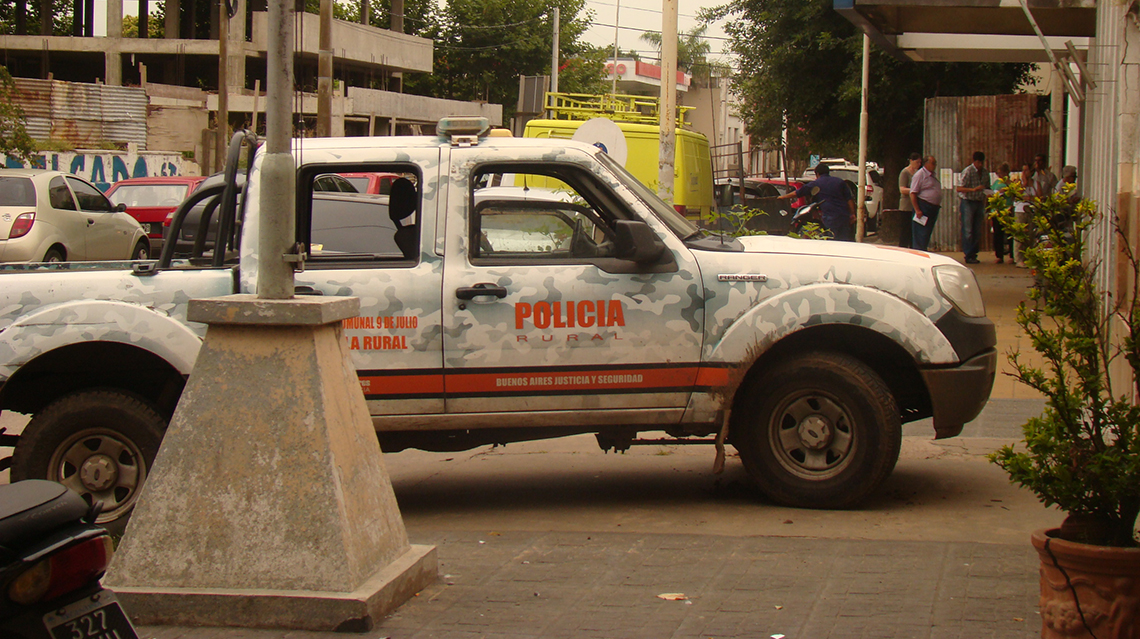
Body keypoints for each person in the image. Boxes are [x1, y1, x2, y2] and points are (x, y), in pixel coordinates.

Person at [778, 163, 856, 241]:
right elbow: (849, 200)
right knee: (844, 240)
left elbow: (797, 193)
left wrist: (783, 197)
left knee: (832, 240)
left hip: (830, 217)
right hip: (843, 216)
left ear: (817, 174)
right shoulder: (840, 182)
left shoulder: (816, 184)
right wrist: (852, 214)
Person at [955, 151, 989, 264]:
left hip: (979, 201)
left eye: (982, 162)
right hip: (968, 201)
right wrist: (973, 189)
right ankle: (968, 254)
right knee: (968, 229)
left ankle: (974, 253)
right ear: (975, 162)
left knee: (977, 230)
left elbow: (987, 187)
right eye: (979, 162)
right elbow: (959, 188)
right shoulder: (968, 171)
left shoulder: (985, 173)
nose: (980, 164)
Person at [909, 155, 941, 251]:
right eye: (933, 163)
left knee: (927, 233)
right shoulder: (920, 175)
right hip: (923, 206)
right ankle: (919, 252)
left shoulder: (932, 175)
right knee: (921, 233)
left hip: (932, 208)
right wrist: (917, 210)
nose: (935, 165)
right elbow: (913, 193)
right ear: (926, 164)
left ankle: (923, 250)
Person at [990, 163, 1014, 263]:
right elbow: (991, 192)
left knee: (1009, 233)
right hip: (996, 210)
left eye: (1000, 172)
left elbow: (1014, 194)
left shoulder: (1009, 183)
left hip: (1007, 209)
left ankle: (1011, 255)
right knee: (997, 234)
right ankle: (999, 255)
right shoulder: (996, 182)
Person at [897, 152, 922, 248]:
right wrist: (914, 191)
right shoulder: (905, 172)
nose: (919, 165)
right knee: (905, 230)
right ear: (911, 161)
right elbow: (902, 189)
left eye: (920, 163)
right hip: (906, 205)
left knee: (913, 231)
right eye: (917, 162)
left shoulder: (918, 173)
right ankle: (903, 247)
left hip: (915, 205)